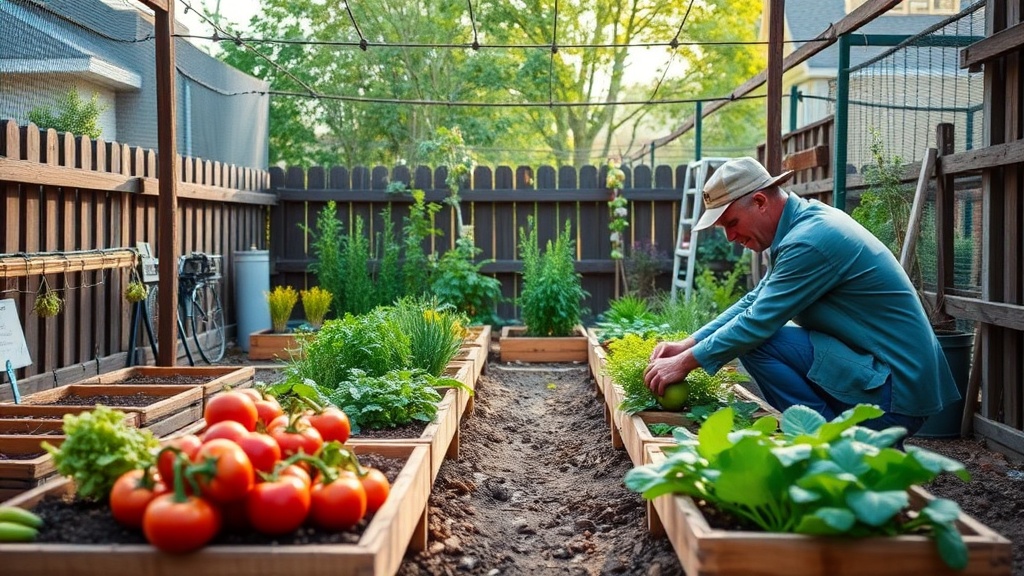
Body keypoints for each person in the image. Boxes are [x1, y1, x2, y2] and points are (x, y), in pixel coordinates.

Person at [643, 156, 960, 436]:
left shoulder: (809, 242)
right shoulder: (801, 225)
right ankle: (836, 439)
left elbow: (756, 324)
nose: (730, 237)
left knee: (758, 341)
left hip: (896, 391)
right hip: (890, 377)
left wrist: (685, 363)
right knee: (756, 337)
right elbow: (755, 300)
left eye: (732, 223)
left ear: (760, 202)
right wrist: (690, 343)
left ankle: (825, 446)